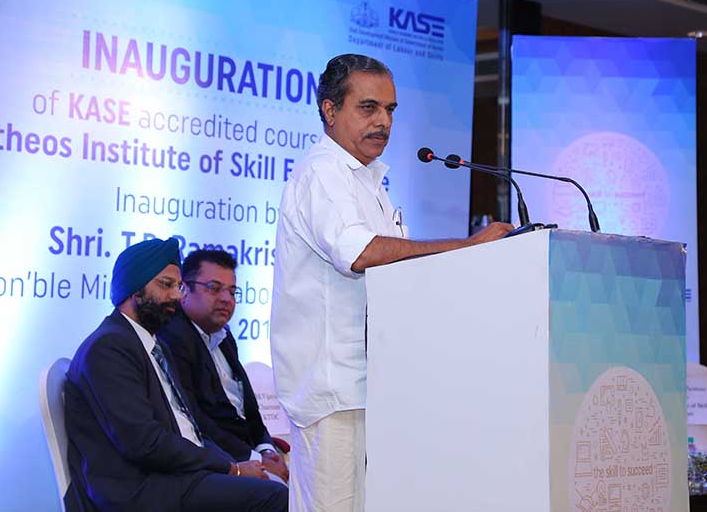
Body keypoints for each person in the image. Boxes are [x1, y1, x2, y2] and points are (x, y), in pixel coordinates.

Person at [270, 53, 513, 512]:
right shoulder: (323, 173)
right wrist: (467, 247)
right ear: (329, 110)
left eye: (390, 110)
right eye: (368, 107)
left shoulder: (367, 181)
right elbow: (361, 253)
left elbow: (399, 273)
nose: (383, 121)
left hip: (372, 386)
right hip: (334, 390)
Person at [64, 237, 287, 511]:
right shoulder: (109, 347)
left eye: (178, 286)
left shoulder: (153, 345)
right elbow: (144, 443)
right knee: (276, 498)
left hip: (175, 477)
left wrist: (237, 464)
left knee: (276, 487)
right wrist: (232, 469)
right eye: (165, 284)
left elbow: (191, 430)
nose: (177, 295)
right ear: (134, 289)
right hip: (139, 491)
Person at [158, 249, 289, 483]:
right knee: (285, 494)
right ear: (184, 290)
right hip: (216, 463)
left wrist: (267, 449)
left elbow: (249, 412)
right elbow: (195, 420)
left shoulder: (224, 337)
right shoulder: (173, 338)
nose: (227, 299)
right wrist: (256, 460)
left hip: (249, 453)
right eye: (214, 288)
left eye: (232, 291)